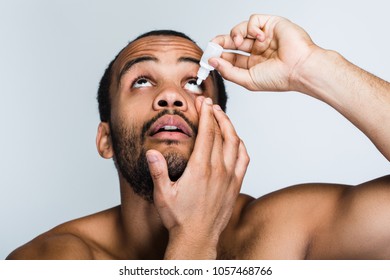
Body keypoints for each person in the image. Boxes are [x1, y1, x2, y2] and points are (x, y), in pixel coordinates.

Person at [6, 14, 390, 260]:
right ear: (105, 140)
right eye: (141, 81)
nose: (171, 95)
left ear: (221, 127)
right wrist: (194, 237)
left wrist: (313, 66)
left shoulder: (286, 230)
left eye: (193, 82)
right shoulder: (55, 259)